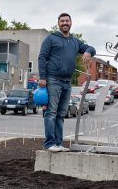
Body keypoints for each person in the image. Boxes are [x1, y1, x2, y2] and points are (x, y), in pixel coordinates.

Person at [38, 13, 96, 152]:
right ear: (58, 23)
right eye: (62, 21)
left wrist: (88, 52)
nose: (65, 23)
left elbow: (92, 48)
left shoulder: (75, 42)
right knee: (51, 112)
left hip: (67, 82)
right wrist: (42, 77)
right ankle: (49, 144)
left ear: (71, 23)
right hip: (53, 79)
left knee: (61, 114)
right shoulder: (51, 39)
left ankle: (58, 144)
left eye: (67, 21)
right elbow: (42, 57)